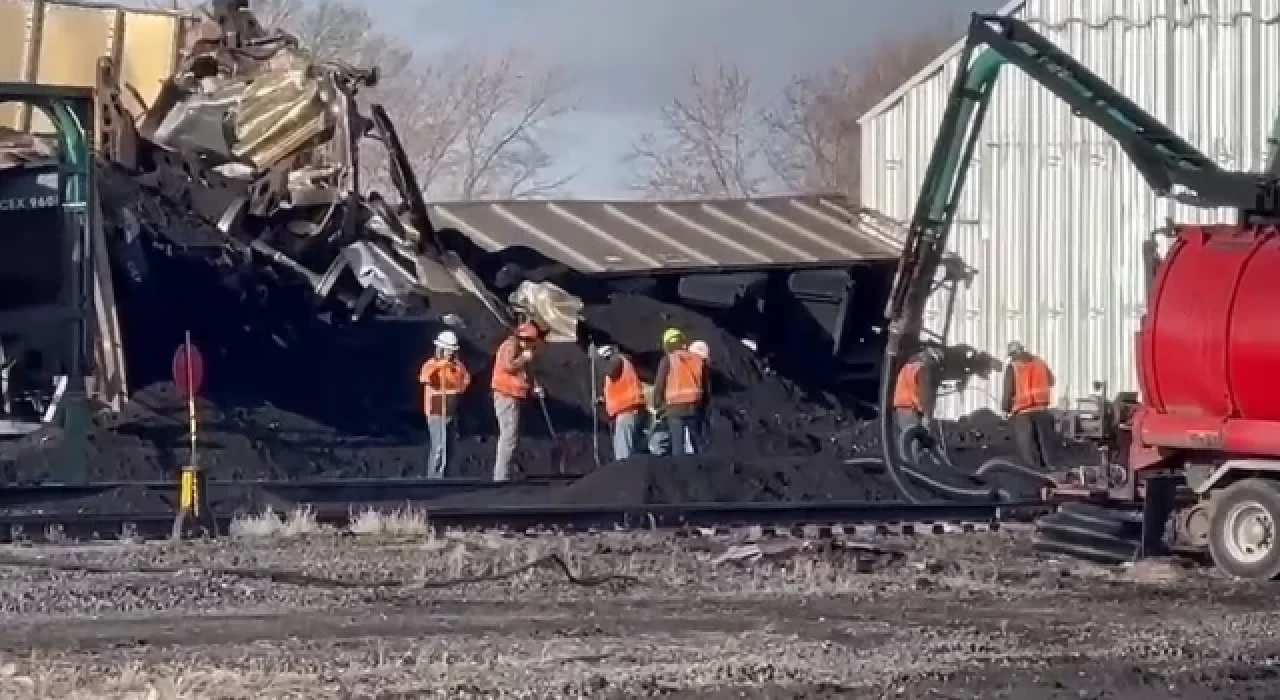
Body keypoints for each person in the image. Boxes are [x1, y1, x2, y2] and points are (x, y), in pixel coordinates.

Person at [491, 321, 544, 481]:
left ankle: (511, 470)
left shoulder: (521, 350)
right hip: (505, 395)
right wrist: (523, 358)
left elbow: (526, 373)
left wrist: (535, 387)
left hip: (514, 396)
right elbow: (508, 365)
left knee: (513, 436)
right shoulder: (510, 346)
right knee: (508, 436)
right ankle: (501, 477)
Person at [418, 330, 471, 479]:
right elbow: (424, 378)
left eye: (452, 351)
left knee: (451, 446)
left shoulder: (458, 366)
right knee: (439, 446)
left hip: (451, 408)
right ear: (441, 349)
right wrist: (439, 367)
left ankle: (448, 476)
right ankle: (434, 477)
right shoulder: (431, 364)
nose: (450, 354)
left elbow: (465, 381)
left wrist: (456, 385)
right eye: (448, 350)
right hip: (435, 410)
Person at [651, 328, 709, 457]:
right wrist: (703, 408)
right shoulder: (697, 360)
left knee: (678, 446)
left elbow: (659, 385)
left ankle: (680, 474)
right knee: (698, 444)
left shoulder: (668, 360)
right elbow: (705, 388)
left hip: (674, 409)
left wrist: (658, 406)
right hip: (694, 408)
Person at [1001, 340, 1058, 468]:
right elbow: (1052, 381)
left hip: (1023, 413)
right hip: (1042, 411)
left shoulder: (1013, 367)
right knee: (1046, 447)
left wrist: (1005, 409)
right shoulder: (1039, 362)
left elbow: (1008, 390)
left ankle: (1034, 473)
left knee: (1028, 451)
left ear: (1013, 353)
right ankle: (1051, 470)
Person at [595, 344, 646, 461]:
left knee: (623, 451)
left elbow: (610, 371)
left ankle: (625, 474)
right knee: (625, 446)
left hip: (627, 410)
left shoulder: (617, 360)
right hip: (629, 409)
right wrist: (604, 400)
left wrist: (596, 358)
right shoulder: (622, 363)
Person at [891, 347, 942, 459]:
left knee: (904, 445)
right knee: (915, 446)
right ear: (931, 358)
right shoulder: (922, 369)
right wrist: (927, 415)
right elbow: (924, 394)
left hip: (901, 410)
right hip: (911, 411)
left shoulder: (908, 366)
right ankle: (914, 472)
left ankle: (904, 470)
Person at [686, 340, 712, 453]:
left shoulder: (689, 365)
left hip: (689, 404)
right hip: (697, 403)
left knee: (693, 433)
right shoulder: (702, 367)